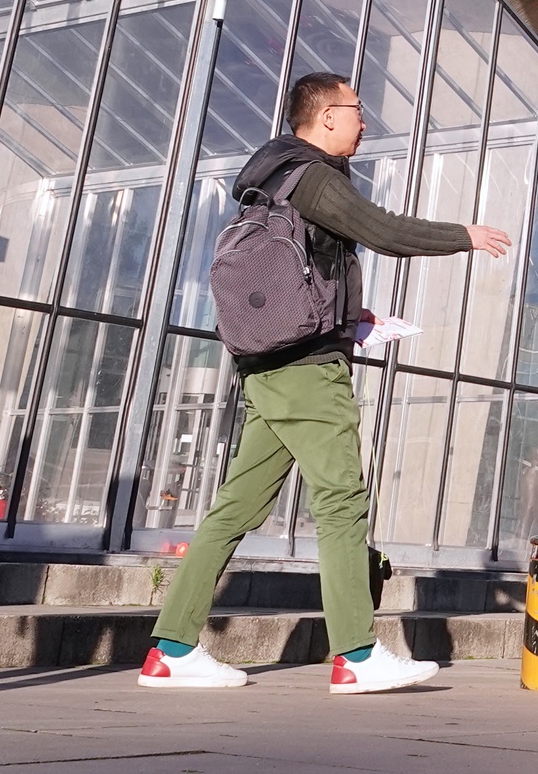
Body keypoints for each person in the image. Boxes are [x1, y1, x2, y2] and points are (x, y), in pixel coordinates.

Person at [140, 72, 513, 695]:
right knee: (342, 501)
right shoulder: (311, 176)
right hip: (307, 371)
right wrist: (464, 237)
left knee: (234, 508)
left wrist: (357, 322)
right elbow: (383, 230)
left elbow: (305, 276)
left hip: (271, 365)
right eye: (357, 111)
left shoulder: (276, 181)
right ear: (325, 117)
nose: (365, 122)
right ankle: (356, 657)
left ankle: (172, 650)